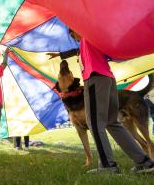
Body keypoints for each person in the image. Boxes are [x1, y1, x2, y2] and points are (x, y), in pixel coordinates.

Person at [47, 29, 154, 174]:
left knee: (95, 123)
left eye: (72, 33)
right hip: (108, 79)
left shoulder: (88, 35)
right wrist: (60, 55)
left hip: (95, 79)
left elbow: (78, 33)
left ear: (77, 27)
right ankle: (144, 162)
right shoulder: (91, 41)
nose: (74, 38)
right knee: (112, 122)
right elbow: (76, 50)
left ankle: (107, 166)